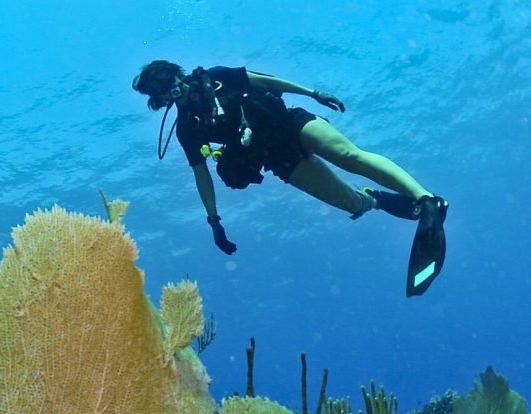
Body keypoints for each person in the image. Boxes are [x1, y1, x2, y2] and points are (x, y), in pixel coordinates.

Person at [132, 60, 448, 296]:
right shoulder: (187, 129)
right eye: (157, 89)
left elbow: (265, 81)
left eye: (165, 77)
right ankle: (375, 199)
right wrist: (213, 221)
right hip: (276, 158)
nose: (167, 87)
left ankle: (427, 200)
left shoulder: (216, 77)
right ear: (158, 100)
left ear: (175, 72)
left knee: (349, 156)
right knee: (352, 204)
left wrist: (313, 94)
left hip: (290, 123)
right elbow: (201, 176)